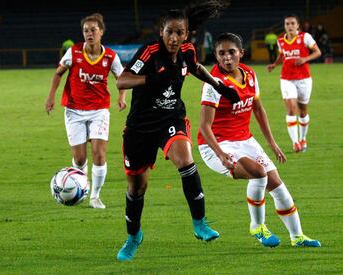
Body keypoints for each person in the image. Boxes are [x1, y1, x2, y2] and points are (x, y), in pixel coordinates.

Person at [115, 1, 235, 262]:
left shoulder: (188, 52)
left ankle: (200, 223)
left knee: (185, 160)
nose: (173, 37)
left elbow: (195, 68)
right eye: (169, 31)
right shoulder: (148, 53)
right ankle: (134, 236)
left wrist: (220, 86)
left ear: (186, 33)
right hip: (140, 127)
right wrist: (150, 80)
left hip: (171, 118)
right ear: (162, 31)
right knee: (137, 188)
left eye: (179, 32)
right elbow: (122, 80)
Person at [198, 32, 321, 248]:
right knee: (258, 172)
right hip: (216, 145)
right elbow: (204, 127)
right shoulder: (214, 83)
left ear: (241, 53)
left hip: (245, 140)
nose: (227, 58)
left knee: (277, 185)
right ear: (216, 57)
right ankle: (257, 226)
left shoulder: (250, 74)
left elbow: (258, 109)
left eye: (231, 52)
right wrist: (221, 154)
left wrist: (272, 143)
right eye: (221, 54)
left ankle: (298, 237)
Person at [45, 13, 127, 209]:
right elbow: (58, 74)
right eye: (86, 30)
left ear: (101, 32)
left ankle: (95, 196)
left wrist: (122, 97)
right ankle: (80, 187)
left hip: (99, 110)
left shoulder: (110, 56)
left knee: (99, 154)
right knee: (80, 158)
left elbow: (122, 78)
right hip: (74, 110)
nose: (89, 33)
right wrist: (51, 96)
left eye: (93, 30)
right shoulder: (73, 53)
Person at [267, 14, 321, 153]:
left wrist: (305, 59)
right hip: (286, 79)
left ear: (297, 25)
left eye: (292, 23)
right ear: (284, 26)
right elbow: (281, 55)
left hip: (304, 79)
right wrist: (274, 64)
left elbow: (317, 52)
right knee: (291, 109)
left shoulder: (305, 37)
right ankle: (295, 142)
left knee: (303, 111)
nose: (289, 26)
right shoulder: (281, 41)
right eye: (287, 24)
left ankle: (303, 138)